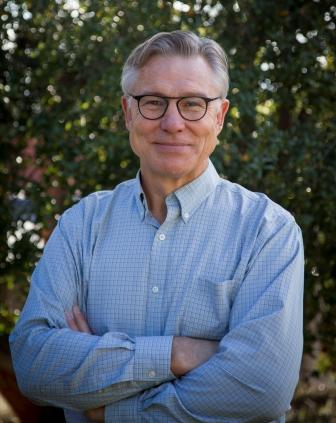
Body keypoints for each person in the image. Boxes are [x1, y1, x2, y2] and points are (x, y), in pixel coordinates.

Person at [10, 31, 304, 423]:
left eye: (193, 104)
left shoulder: (268, 232)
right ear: (128, 112)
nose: (172, 122)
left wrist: (111, 408)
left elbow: (260, 389)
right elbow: (34, 364)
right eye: (153, 102)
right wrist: (179, 354)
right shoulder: (80, 226)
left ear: (220, 116)